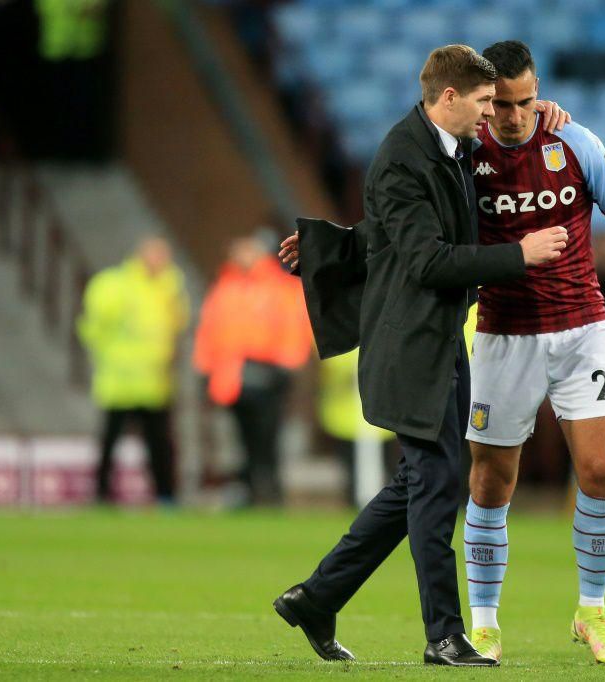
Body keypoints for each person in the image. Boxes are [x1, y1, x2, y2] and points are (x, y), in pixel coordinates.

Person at [272, 44, 570, 666]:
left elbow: (387, 232)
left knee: (417, 483)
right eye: (486, 102)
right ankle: (443, 634)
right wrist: (521, 255)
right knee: (436, 487)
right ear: (450, 98)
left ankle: (318, 597)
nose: (493, 113)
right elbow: (427, 259)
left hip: (439, 341)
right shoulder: (401, 159)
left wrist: (335, 246)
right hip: (411, 345)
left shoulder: (451, 147)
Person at [461, 40, 605, 666]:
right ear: (483, 101)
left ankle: (592, 611)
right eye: (502, 104)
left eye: (526, 101)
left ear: (538, 90)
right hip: (503, 334)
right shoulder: (468, 154)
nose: (516, 115)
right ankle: (486, 622)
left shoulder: (573, 141)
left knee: (602, 472)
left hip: (582, 328)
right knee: (492, 481)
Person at [193, 233, 312, 506]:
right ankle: (249, 489)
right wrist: (205, 367)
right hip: (231, 375)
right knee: (242, 435)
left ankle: (269, 489)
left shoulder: (280, 287)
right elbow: (209, 330)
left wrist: (288, 365)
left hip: (268, 370)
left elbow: (294, 326)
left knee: (267, 435)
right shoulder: (225, 287)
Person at [77, 237, 188, 503]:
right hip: (120, 381)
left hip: (154, 381)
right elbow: (93, 325)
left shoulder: (169, 288)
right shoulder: (115, 285)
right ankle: (102, 495)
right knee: (110, 443)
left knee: (160, 445)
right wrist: (109, 356)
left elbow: (176, 327)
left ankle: (165, 497)